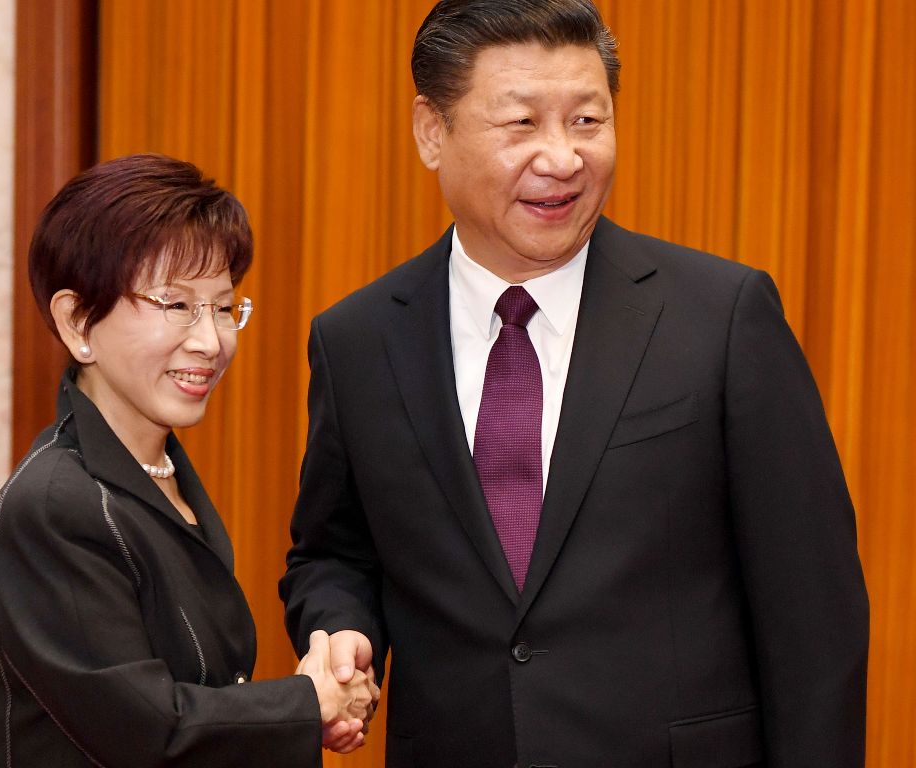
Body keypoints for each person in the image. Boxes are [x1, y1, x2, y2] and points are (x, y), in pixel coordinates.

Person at [279, 1, 869, 766]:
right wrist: (342, 628)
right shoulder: (359, 339)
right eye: (522, 124)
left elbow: (813, 613)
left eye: (588, 121)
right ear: (432, 130)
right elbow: (335, 551)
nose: (561, 158)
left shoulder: (720, 318)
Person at [0, 153, 376, 767]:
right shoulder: (55, 505)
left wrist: (316, 699)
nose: (210, 341)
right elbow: (146, 730)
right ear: (78, 320)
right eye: (177, 305)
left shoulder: (161, 475)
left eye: (222, 306)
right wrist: (307, 703)